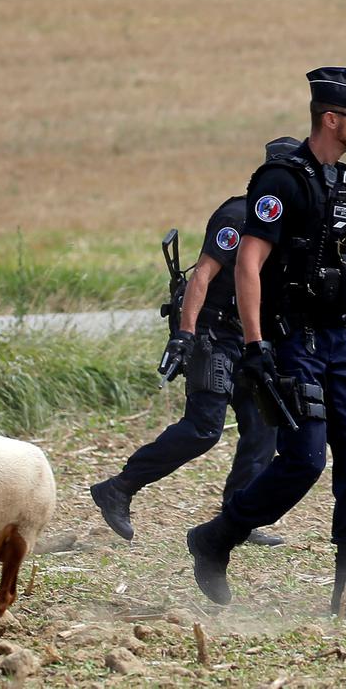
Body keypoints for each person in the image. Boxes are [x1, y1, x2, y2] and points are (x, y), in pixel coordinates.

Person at [186, 66, 346, 615]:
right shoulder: (281, 179)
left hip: (337, 338)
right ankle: (217, 537)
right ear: (331, 119)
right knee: (306, 459)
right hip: (291, 341)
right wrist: (256, 344)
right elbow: (248, 262)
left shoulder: (345, 183)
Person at [88, 139, 303, 546]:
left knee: (262, 428)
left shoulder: (283, 225)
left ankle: (237, 515)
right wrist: (186, 336)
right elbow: (202, 275)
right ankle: (118, 488)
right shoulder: (238, 215)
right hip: (213, 334)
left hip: (248, 339)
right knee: (203, 429)